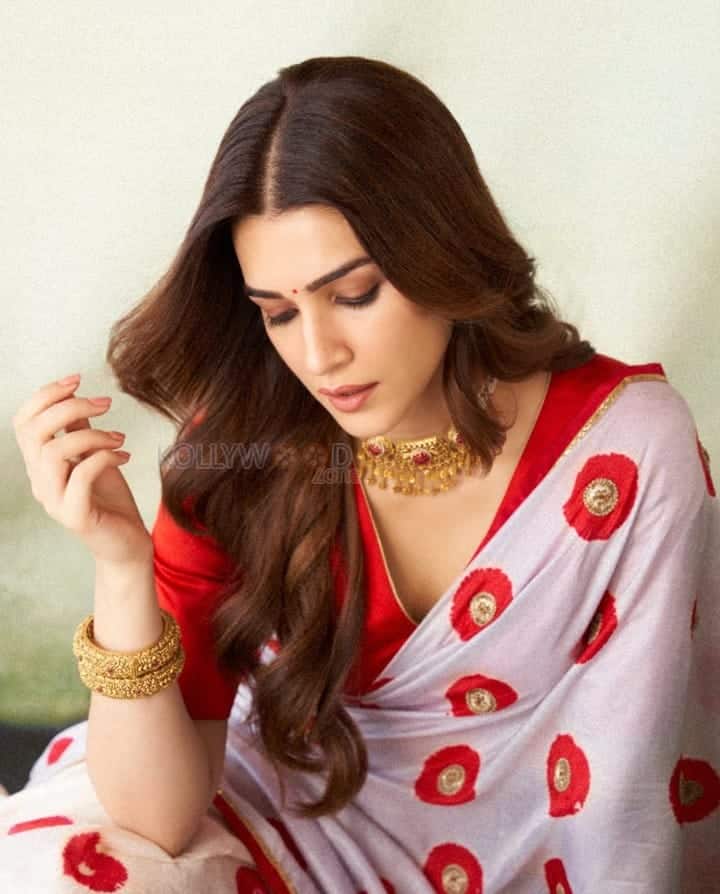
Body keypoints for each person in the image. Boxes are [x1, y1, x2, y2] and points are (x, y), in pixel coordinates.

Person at [3, 54, 718, 894]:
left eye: (354, 295)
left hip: (536, 850)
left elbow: (627, 788)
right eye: (278, 312)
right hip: (284, 822)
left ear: (442, 251)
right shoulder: (240, 452)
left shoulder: (620, 453)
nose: (318, 355)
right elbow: (157, 820)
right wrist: (122, 565)